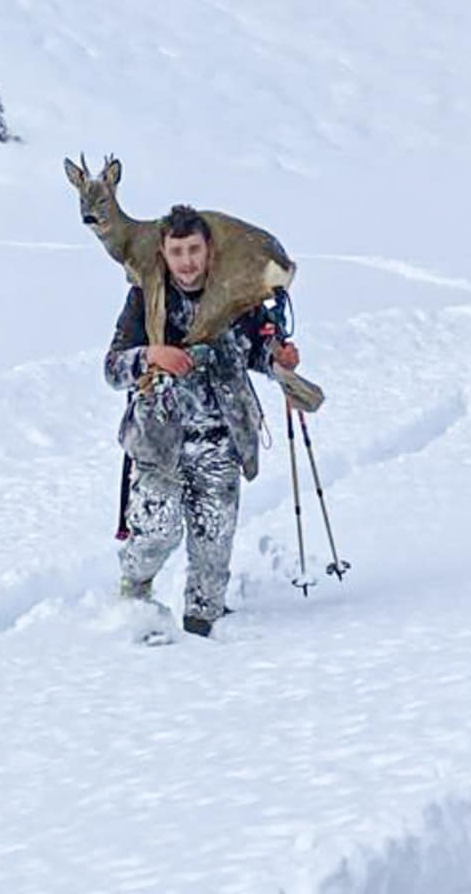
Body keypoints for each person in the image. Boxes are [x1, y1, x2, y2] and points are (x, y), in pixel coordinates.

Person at [104, 204, 300, 637]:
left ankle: (204, 627)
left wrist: (279, 360)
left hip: (221, 440)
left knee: (214, 542)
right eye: (178, 252)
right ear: (163, 253)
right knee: (155, 532)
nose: (187, 261)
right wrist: (151, 355)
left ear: (209, 249)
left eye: (194, 250)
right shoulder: (145, 298)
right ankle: (133, 598)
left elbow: (258, 350)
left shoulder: (237, 295)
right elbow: (112, 368)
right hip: (159, 441)